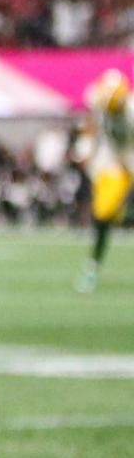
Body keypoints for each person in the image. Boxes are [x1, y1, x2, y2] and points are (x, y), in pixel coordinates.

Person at [72, 68, 132, 293]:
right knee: (103, 215)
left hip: (127, 162)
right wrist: (85, 149)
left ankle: (92, 267)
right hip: (108, 163)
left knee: (105, 213)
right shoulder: (99, 102)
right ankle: (93, 267)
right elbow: (92, 123)